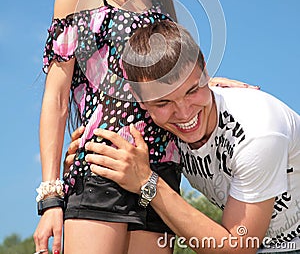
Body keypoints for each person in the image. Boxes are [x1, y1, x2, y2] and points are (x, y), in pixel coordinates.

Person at [33, 0, 246, 254]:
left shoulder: (156, 0)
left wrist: (212, 83)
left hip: (158, 173)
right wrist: (50, 197)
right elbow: (57, 95)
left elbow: (162, 84)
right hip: (103, 166)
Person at [76, 20, 300, 254]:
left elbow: (237, 248)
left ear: (205, 72)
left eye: (192, 90)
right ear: (139, 100)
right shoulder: (157, 127)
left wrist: (147, 182)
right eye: (163, 102)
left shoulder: (258, 133)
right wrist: (85, 152)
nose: (184, 114)